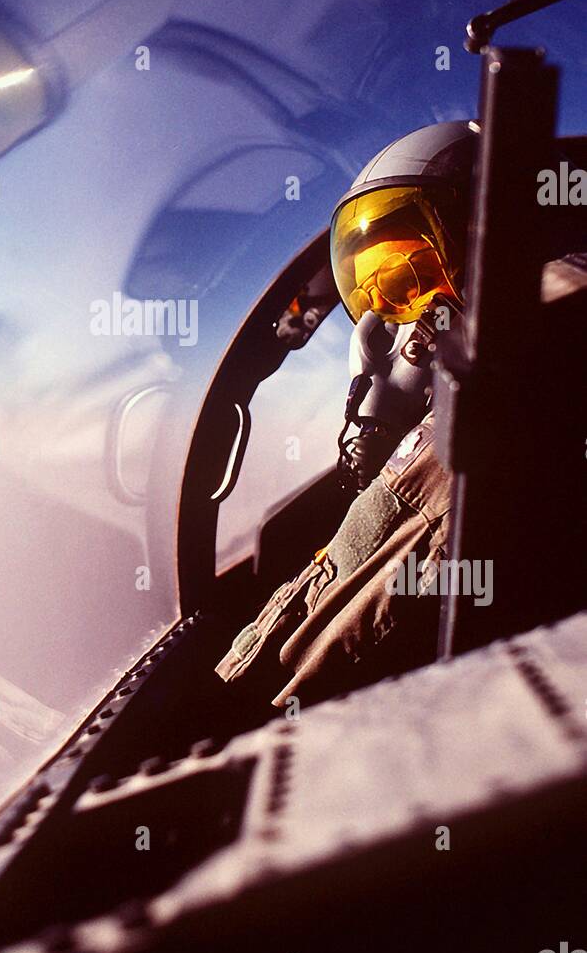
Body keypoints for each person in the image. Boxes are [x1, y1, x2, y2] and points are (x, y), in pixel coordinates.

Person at [216, 120, 586, 708]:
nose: (382, 325)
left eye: (410, 277)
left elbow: (267, 693)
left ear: (506, 241)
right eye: (368, 297)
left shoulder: (471, 438)